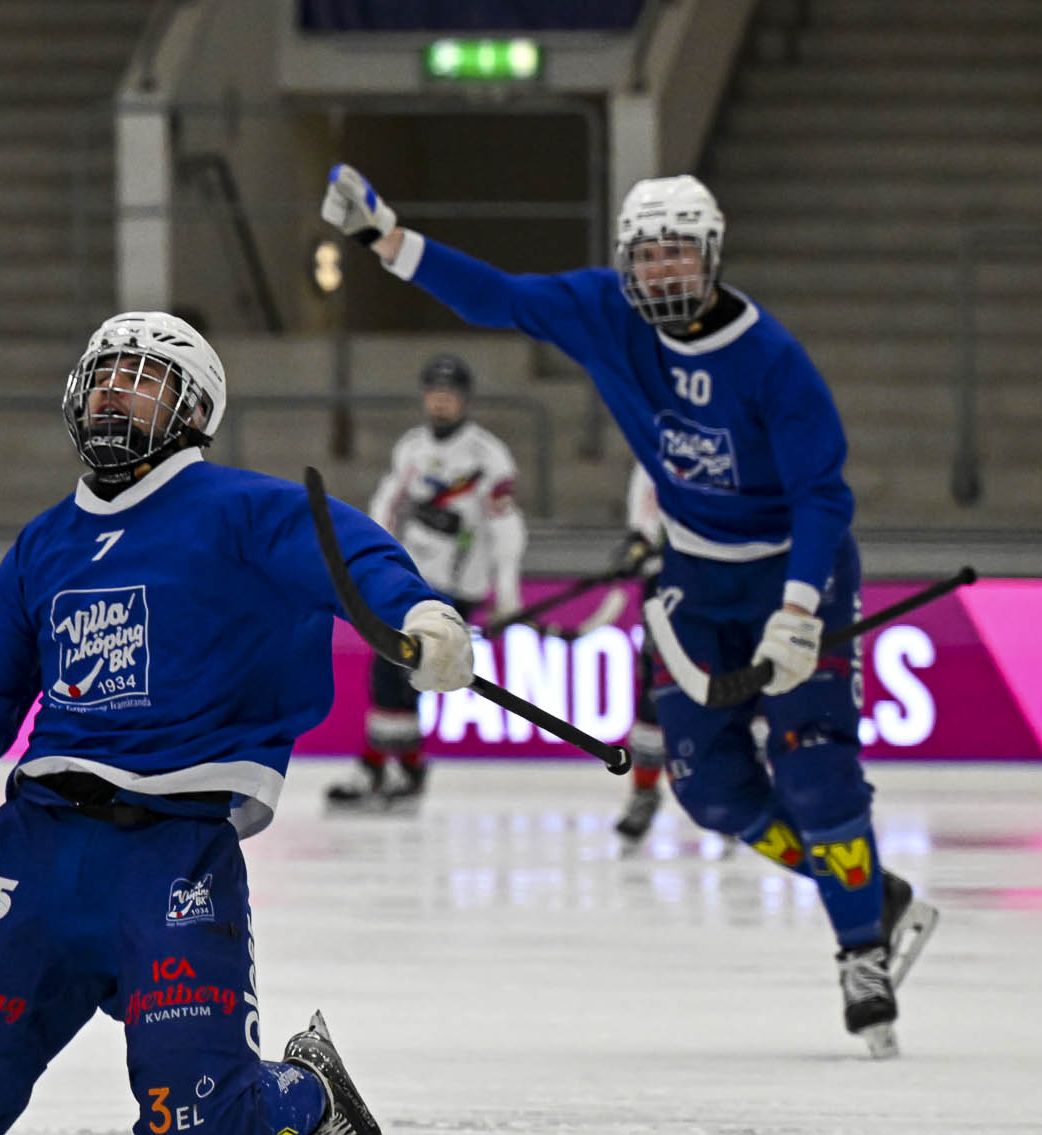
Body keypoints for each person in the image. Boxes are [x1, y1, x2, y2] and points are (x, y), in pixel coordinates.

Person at [0, 312, 477, 1135]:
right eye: (101, 377)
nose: (111, 396)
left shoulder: (244, 510)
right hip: (33, 850)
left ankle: (310, 1090)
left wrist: (420, 614)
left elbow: (350, 552)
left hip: (173, 852)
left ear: (194, 412)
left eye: (141, 381)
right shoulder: (42, 543)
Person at [319, 164, 939, 1058]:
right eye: (647, 256)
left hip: (794, 576)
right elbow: (496, 296)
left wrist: (802, 609)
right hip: (694, 575)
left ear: (713, 256)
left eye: (679, 253)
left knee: (816, 773)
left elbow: (822, 496)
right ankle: (873, 894)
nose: (662, 271)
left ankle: (860, 952)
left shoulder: (771, 359)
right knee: (710, 791)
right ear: (624, 262)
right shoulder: (603, 312)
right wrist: (387, 237)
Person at [327, 353, 526, 810]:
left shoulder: (488, 456)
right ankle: (397, 767)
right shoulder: (412, 447)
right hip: (409, 580)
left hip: (456, 585)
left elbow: (505, 525)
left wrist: (507, 590)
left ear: (465, 399)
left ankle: (386, 767)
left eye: (449, 394)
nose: (440, 402)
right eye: (434, 392)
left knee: (401, 671)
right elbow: (386, 504)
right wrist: (371, 563)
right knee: (395, 672)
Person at [611, 463, 668, 847]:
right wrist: (640, 542)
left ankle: (741, 793)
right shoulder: (659, 447)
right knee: (655, 687)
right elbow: (644, 515)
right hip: (666, 582)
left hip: (727, 578)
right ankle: (644, 792)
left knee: (737, 684)